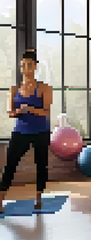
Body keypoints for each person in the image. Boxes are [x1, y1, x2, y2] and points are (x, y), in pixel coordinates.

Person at [0, 49, 53, 213]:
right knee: (10, 165)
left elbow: (45, 112)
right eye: (23, 66)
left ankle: (38, 197)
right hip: (20, 131)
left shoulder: (44, 88)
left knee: (41, 164)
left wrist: (29, 108)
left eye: (29, 65)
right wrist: (18, 112)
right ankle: (0, 200)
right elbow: (10, 112)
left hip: (41, 131)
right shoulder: (14, 89)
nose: (25, 69)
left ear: (35, 67)